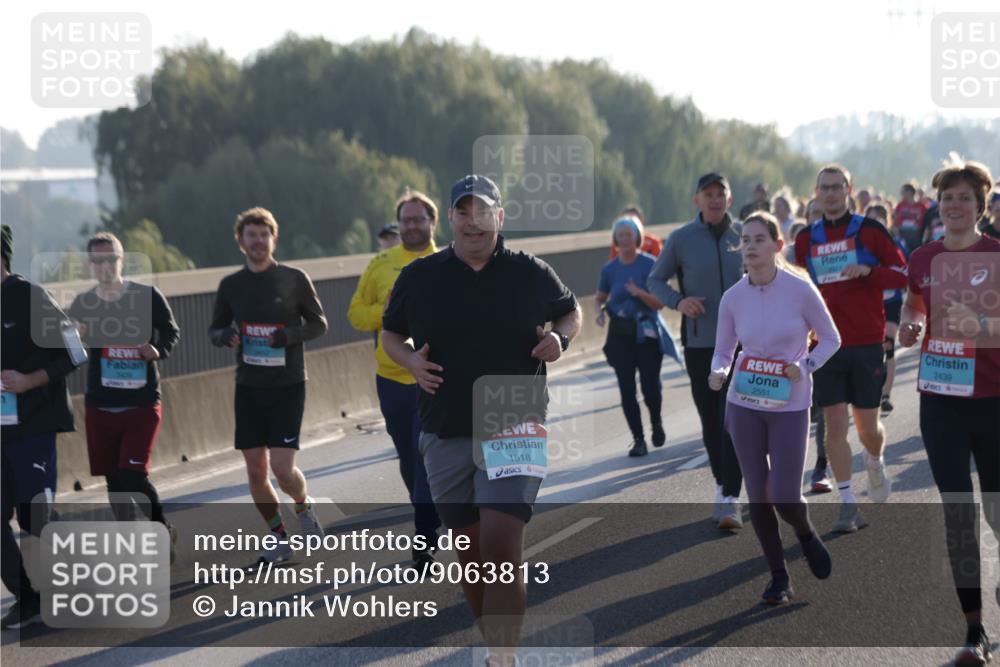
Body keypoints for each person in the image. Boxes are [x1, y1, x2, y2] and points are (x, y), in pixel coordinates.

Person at [382, 174, 581, 666]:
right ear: (449, 219)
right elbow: (389, 335)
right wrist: (410, 363)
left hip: (514, 417)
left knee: (500, 539)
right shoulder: (420, 276)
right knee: (470, 556)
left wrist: (560, 339)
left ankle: (502, 659)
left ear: (500, 217)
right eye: (464, 212)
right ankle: (495, 642)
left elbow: (570, 312)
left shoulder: (530, 272)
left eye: (483, 211)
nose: (474, 222)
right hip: (443, 425)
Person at [899, 160, 1000, 665]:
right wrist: (909, 327)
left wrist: (981, 320)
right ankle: (973, 631)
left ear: (980, 206)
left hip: (994, 400)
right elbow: (913, 304)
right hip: (940, 399)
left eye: (963, 198)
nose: (954, 206)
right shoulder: (923, 257)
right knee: (958, 512)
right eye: (946, 199)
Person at [710, 212, 839, 604]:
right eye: (745, 240)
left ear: (777, 246)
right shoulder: (733, 298)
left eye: (759, 239)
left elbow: (831, 339)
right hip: (744, 402)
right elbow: (723, 349)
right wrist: (717, 371)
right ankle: (779, 576)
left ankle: (804, 532)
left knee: (784, 494)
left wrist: (804, 366)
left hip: (789, 404)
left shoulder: (800, 290)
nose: (750, 246)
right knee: (758, 495)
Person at [208, 207, 328, 564]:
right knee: (256, 471)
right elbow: (215, 329)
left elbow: (319, 324)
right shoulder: (231, 285)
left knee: (282, 470)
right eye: (251, 235)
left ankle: (303, 507)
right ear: (240, 241)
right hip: (248, 386)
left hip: (288, 384)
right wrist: (224, 335)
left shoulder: (294, 278)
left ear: (274, 239)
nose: (258, 241)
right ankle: (279, 537)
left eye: (264, 235)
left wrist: (287, 336)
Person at [794, 164, 908, 533]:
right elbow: (794, 290)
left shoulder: (871, 231)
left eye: (836, 187)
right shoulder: (805, 239)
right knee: (834, 425)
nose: (830, 193)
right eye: (824, 188)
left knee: (868, 429)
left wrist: (868, 271)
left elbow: (903, 274)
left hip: (865, 343)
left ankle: (874, 460)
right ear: (816, 191)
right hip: (825, 344)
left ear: (848, 189)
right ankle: (847, 505)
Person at [68, 232, 180, 559]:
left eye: (111, 259)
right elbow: (71, 350)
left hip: (142, 401)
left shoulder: (147, 296)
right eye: (98, 261)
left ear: (122, 260)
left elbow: (171, 332)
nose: (106, 266)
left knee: (133, 473)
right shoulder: (84, 303)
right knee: (114, 480)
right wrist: (75, 336)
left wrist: (156, 349)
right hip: (101, 403)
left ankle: (161, 528)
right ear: (91, 265)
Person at [348, 190, 442, 569]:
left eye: (419, 219)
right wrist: (383, 312)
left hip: (435, 376)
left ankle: (424, 541)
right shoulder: (381, 263)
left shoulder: (448, 262)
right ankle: (428, 515)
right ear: (398, 223)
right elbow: (356, 314)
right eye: (406, 219)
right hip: (391, 377)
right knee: (407, 457)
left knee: (426, 459)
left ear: (433, 223)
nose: (412, 225)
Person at [649, 172, 745, 530]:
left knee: (732, 420)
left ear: (730, 199)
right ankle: (724, 484)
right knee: (711, 419)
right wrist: (679, 301)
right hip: (701, 343)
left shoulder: (744, 235)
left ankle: (730, 496)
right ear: (697, 200)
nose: (715, 199)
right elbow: (655, 280)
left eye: (721, 193)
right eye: (708, 193)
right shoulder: (681, 239)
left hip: (745, 345)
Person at [1, 224, 81, 629]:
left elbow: (75, 351)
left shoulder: (28, 296)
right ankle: (28, 597)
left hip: (32, 425)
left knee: (35, 517)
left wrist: (30, 380)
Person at [595, 215, 665, 457]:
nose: (625, 239)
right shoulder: (610, 269)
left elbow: (659, 304)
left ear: (638, 237)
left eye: (629, 234)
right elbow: (600, 298)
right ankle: (638, 439)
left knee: (650, 387)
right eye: (621, 235)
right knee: (627, 390)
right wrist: (600, 313)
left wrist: (639, 293)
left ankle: (656, 421)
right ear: (615, 239)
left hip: (646, 334)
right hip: (620, 335)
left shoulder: (650, 264)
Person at [863, 204, 908, 414]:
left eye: (880, 219)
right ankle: (873, 388)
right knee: (874, 349)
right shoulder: (860, 245)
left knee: (888, 344)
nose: (876, 222)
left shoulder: (895, 243)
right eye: (871, 219)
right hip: (869, 302)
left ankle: (886, 395)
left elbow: (905, 270)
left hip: (891, 301)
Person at [893, 180, 930, 251]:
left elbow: (926, 223)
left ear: (909, 192)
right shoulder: (900, 205)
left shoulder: (922, 206)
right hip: (903, 234)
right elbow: (895, 220)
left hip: (916, 235)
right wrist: (897, 234)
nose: (901, 194)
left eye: (903, 192)